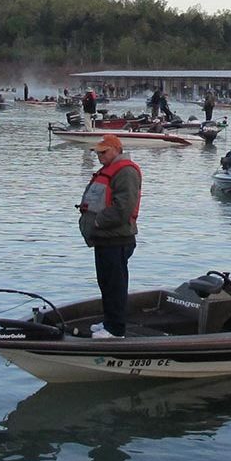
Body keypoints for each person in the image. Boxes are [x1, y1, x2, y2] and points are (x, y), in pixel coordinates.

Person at [77, 134, 142, 339]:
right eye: (98, 153)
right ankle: (109, 320)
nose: (99, 156)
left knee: (115, 284)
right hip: (104, 238)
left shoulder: (126, 172)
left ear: (116, 150)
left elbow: (124, 207)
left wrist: (98, 221)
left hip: (117, 239)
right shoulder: (108, 170)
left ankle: (116, 329)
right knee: (105, 282)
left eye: (104, 152)